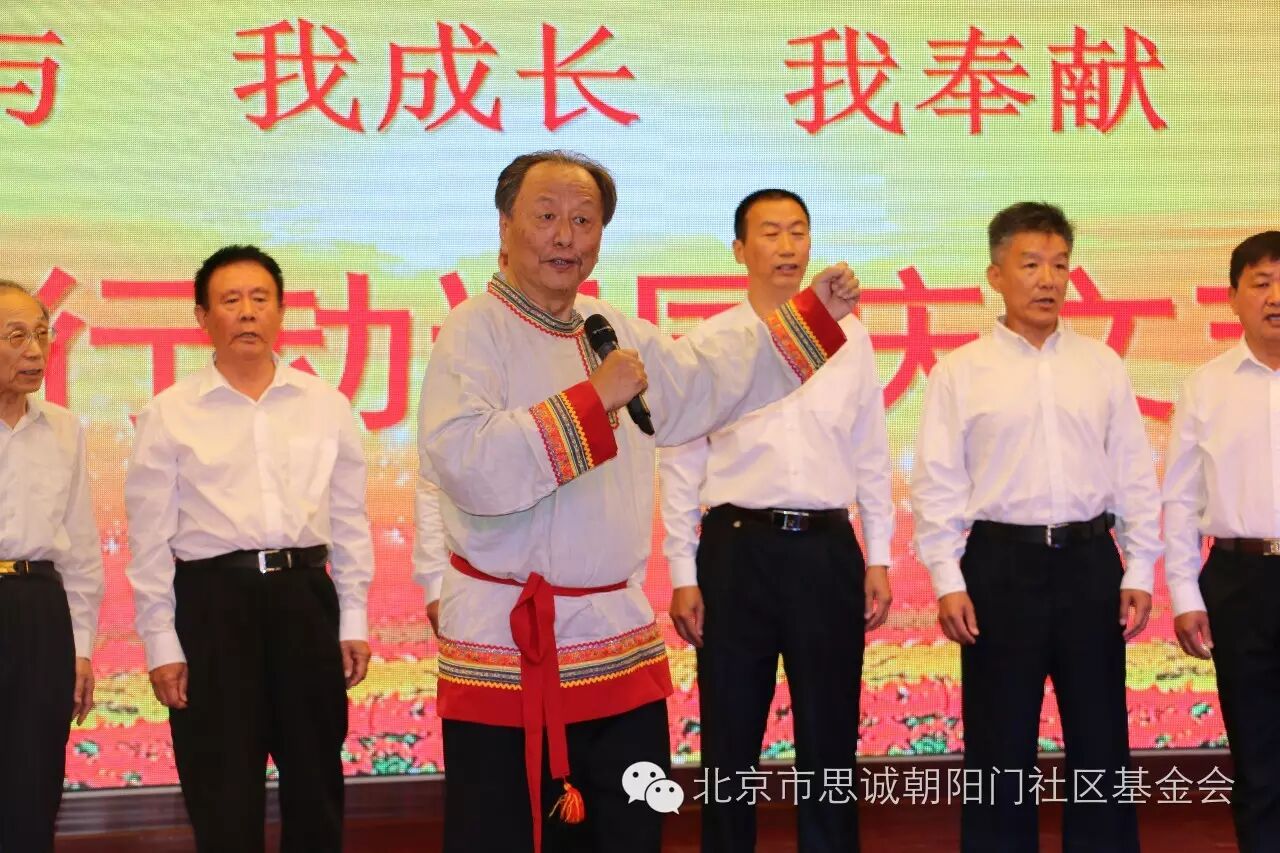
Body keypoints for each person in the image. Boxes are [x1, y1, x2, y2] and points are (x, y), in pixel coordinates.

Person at [414, 150, 860, 853]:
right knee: (506, 833)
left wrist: (811, 317)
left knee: (630, 830)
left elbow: (707, 379)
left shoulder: (609, 329)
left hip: (614, 640)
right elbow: (469, 466)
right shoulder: (473, 330)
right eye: (547, 216)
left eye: (584, 220)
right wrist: (595, 400)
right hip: (509, 644)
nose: (566, 236)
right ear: (505, 226)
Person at [910, 202, 1161, 852]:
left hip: (1089, 562)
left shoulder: (1101, 364)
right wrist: (947, 579)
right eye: (1030, 265)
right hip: (1000, 566)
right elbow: (937, 484)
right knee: (1000, 745)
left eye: (1059, 265)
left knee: (1101, 741)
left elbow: (1133, 471)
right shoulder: (960, 371)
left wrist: (1139, 567)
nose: (1048, 279)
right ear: (996, 275)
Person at [659, 189, 893, 853]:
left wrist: (879, 554)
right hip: (737, 552)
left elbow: (870, 451)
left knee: (830, 736)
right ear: (740, 250)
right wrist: (682, 572)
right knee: (730, 736)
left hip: (827, 551)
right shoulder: (711, 341)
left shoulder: (851, 338)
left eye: (797, 231)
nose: (787, 246)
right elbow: (681, 463)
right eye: (769, 233)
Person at [124, 246, 374, 853]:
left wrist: (353, 620)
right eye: (230, 300)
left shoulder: (325, 405)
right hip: (213, 606)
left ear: (281, 312)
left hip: (305, 599)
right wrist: (161, 643)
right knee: (222, 789)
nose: (247, 313)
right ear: (202, 317)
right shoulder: (169, 413)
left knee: (315, 783)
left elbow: (349, 521)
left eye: (260, 299)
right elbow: (149, 540)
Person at [1164, 231, 1280, 853]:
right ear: (1233, 297)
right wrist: (1185, 594)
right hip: (1240, 581)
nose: (1275, 297)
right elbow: (1181, 498)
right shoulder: (1206, 386)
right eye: (1261, 283)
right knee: (1256, 750)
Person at [0, 280, 103, 853]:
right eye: (16, 336)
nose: (35, 351)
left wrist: (80, 647)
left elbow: (80, 551)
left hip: (39, 609)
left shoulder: (64, 428)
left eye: (41, 335)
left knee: (34, 783)